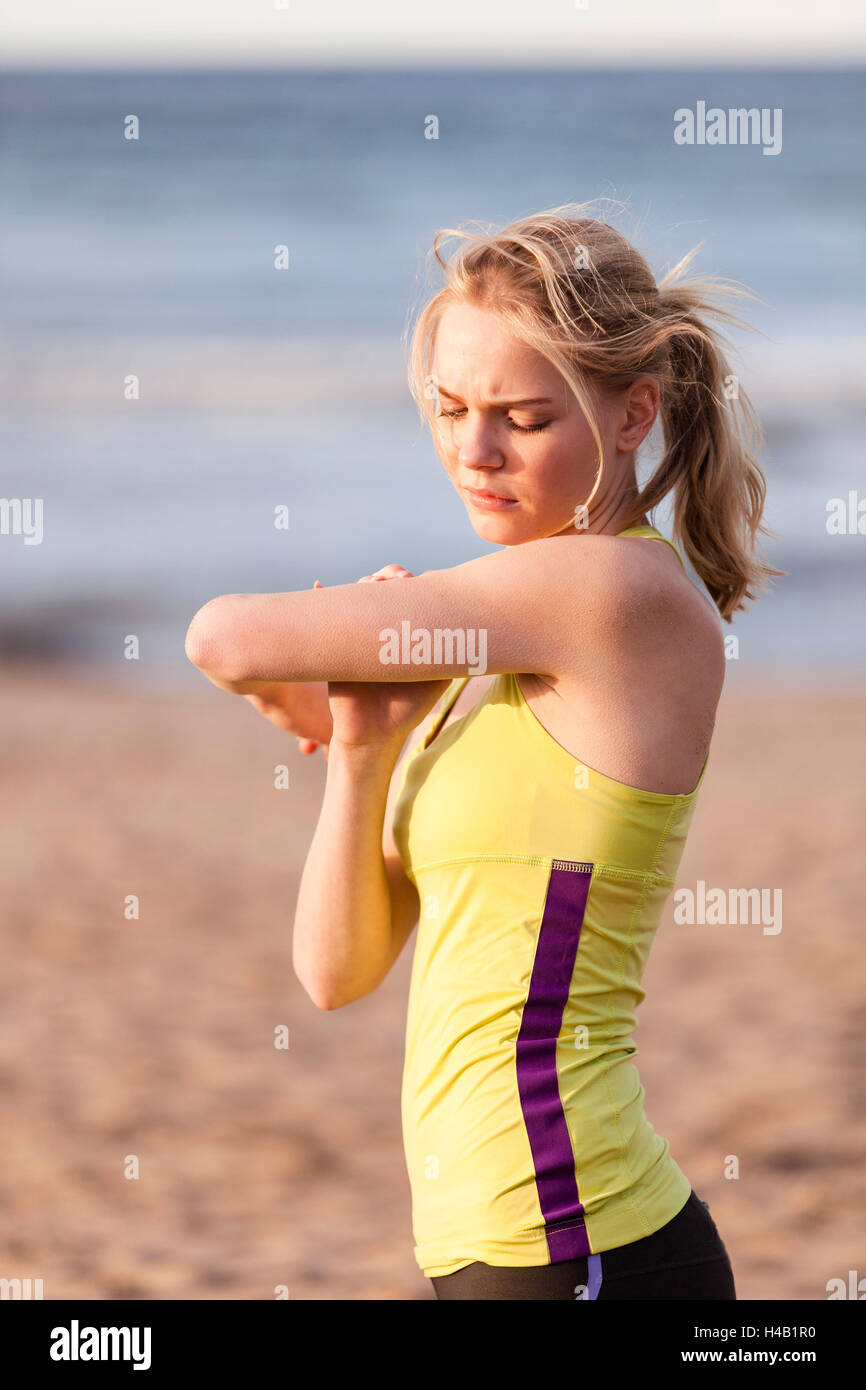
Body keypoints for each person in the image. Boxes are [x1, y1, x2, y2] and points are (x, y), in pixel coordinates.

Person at [185, 202, 782, 1299]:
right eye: (450, 407)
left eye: (519, 415)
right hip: (491, 1243)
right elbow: (334, 972)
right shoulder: (481, 660)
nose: (472, 450)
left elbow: (219, 634)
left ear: (629, 413)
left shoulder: (608, 591)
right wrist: (360, 744)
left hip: (578, 1239)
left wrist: (311, 677)